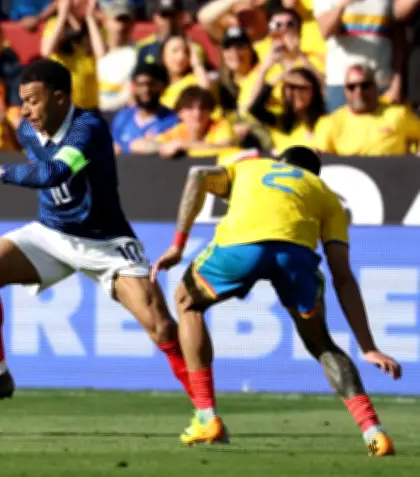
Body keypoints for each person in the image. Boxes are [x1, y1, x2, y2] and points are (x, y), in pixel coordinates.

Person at [0, 59, 194, 410]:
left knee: (160, 328)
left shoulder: (89, 129)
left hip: (104, 241)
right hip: (52, 232)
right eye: (23, 101)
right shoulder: (26, 129)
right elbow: (42, 168)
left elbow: (53, 173)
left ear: (61, 98)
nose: (26, 110)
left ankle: (206, 412)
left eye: (34, 100)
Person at [152, 146, 400, 455]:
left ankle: (206, 416)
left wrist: (177, 245)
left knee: (188, 303)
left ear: (279, 162)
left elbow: (197, 175)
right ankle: (373, 432)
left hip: (240, 247)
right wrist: (368, 347)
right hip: (295, 256)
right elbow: (343, 275)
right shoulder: (324, 193)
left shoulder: (251, 167)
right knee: (321, 344)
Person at [111, 62, 179, 154]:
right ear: (133, 87)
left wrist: (156, 146)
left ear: (162, 86)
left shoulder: (173, 121)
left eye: (151, 84)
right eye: (140, 84)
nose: (146, 90)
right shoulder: (123, 117)